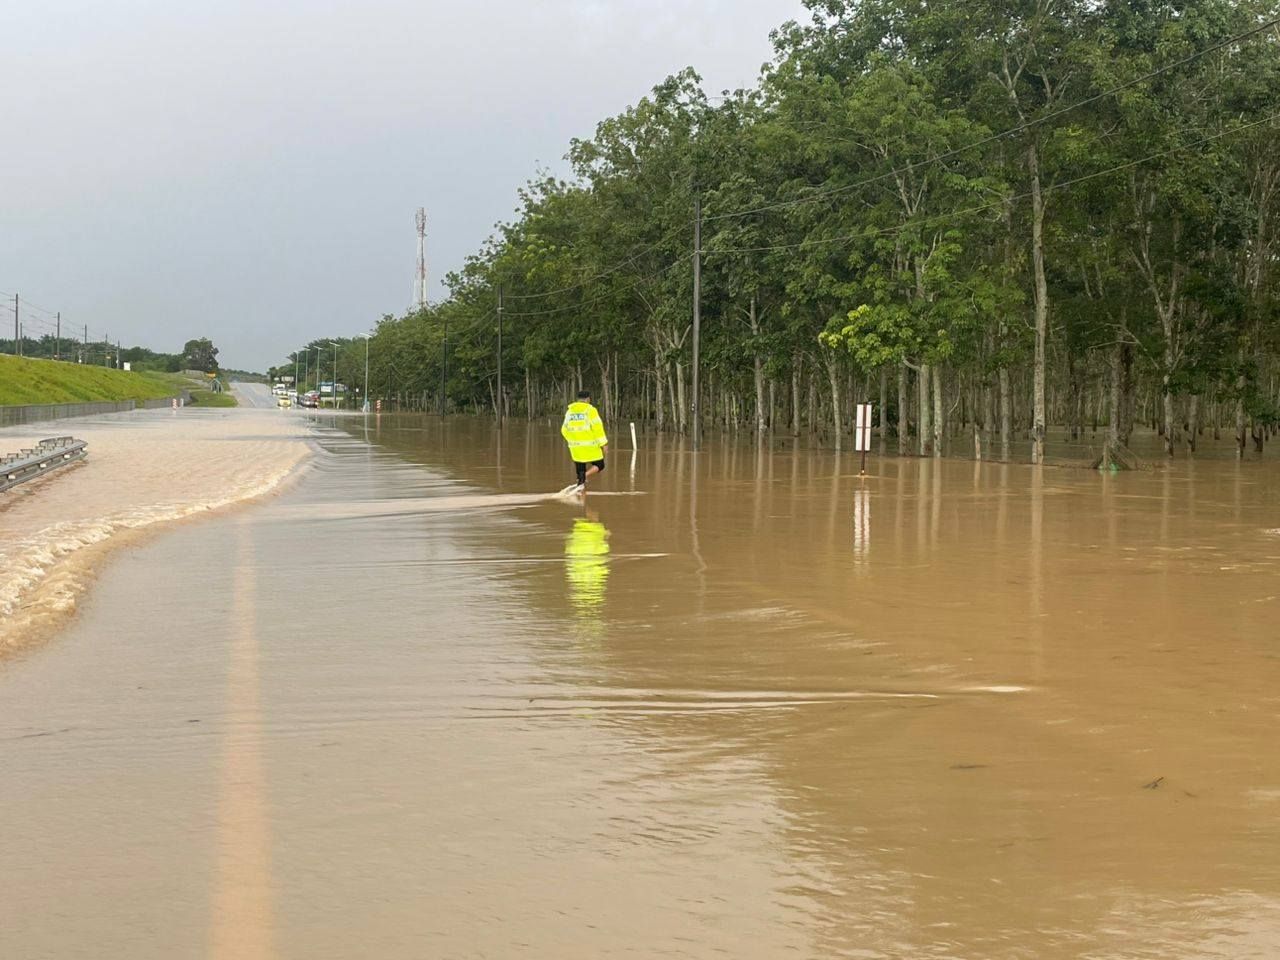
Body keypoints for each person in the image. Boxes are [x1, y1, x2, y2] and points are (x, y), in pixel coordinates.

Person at [561, 390, 608, 493]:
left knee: (580, 471)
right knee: (600, 465)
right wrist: (603, 444)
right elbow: (598, 428)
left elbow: (564, 429)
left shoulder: (570, 411)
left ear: (578, 399)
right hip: (590, 446)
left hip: (575, 447)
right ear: (588, 399)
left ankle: (582, 501)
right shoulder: (590, 410)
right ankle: (584, 476)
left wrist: (572, 439)